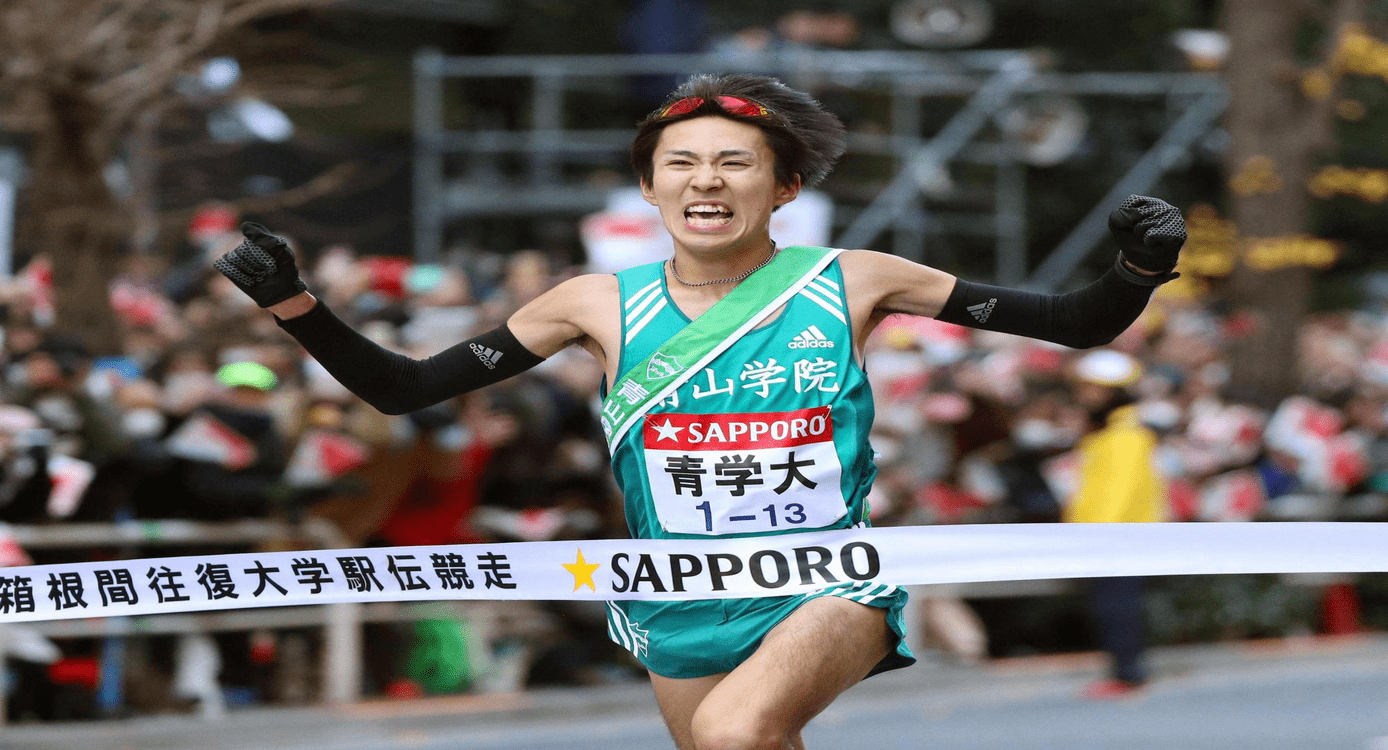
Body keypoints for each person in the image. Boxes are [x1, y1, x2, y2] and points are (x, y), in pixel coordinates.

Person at [214, 73, 1186, 750]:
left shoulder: (854, 280)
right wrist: (293, 305)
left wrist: (1138, 267)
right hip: (675, 595)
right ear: (648, 188)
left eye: (732, 163)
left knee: (733, 734)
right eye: (680, 164)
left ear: (784, 188)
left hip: (825, 580)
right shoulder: (589, 303)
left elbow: (1071, 324)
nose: (705, 181)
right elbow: (403, 389)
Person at [1064, 349, 1166, 699]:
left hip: (1115, 539)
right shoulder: (1112, 432)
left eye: (1090, 388)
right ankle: (1125, 672)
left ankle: (1127, 674)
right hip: (1111, 537)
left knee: (1117, 606)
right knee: (1114, 606)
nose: (1082, 395)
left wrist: (1091, 537)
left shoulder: (1125, 434)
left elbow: (1117, 494)